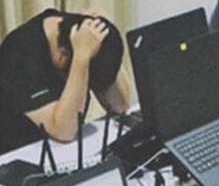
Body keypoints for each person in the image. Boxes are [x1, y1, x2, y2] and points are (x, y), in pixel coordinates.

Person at [0, 8, 132, 154]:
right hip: (16, 154)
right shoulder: (18, 55)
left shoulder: (74, 31)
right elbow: (64, 131)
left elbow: (119, 106)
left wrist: (104, 33)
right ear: (63, 55)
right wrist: (81, 57)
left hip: (61, 150)